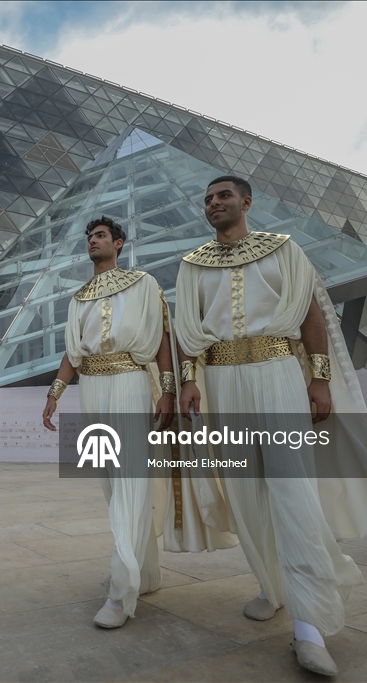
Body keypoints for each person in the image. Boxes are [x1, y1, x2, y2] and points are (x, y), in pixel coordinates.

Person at [174, 176, 367, 676]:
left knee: (291, 490)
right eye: (208, 199)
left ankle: (310, 625)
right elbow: (187, 331)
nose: (214, 203)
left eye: (223, 196)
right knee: (243, 491)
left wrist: (318, 382)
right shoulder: (192, 264)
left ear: (246, 202)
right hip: (220, 384)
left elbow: (312, 318)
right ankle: (271, 587)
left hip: (278, 373)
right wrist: (188, 382)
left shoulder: (284, 249)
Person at [42, 216, 233, 630]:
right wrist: (53, 394)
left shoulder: (144, 284)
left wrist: (167, 390)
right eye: (89, 237)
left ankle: (121, 592)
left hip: (130, 382)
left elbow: (164, 339)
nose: (92, 241)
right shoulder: (78, 298)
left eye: (100, 236)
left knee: (130, 482)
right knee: (114, 486)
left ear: (119, 243)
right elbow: (72, 355)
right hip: (91, 388)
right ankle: (144, 573)